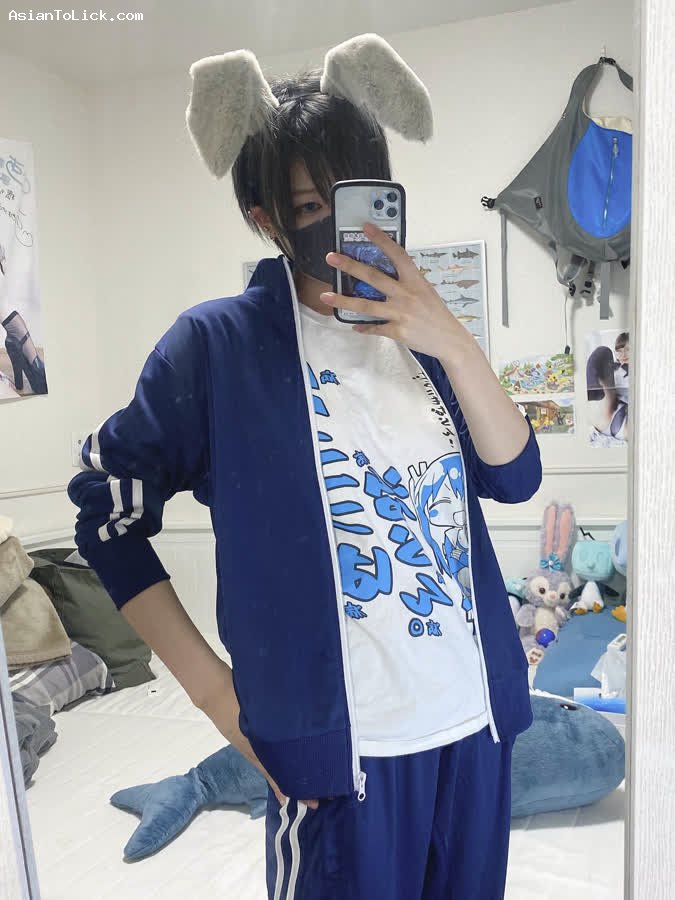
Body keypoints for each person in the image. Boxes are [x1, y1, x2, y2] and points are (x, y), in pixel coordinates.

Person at [69, 40, 542, 900]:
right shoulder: (216, 346)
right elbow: (108, 515)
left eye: (362, 193)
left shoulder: (424, 345)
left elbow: (514, 478)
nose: (344, 223)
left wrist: (452, 341)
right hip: (339, 758)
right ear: (266, 220)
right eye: (312, 204)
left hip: (476, 728)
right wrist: (219, 700)